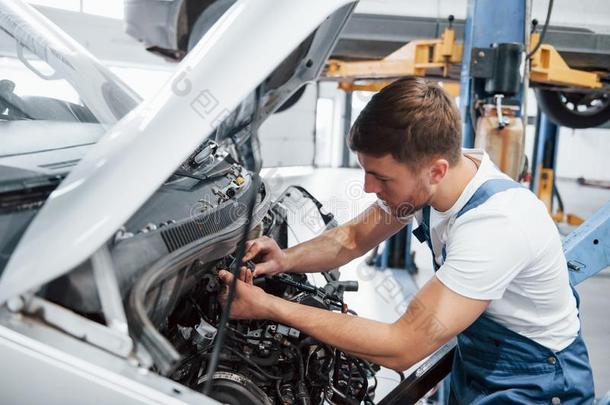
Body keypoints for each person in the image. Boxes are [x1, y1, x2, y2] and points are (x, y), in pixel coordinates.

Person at [218, 77, 595, 403]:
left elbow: (402, 346)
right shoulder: (435, 182)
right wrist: (285, 259)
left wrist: (269, 307)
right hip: (481, 363)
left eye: (381, 177)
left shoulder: (496, 225)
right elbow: (352, 238)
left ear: (436, 170)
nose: (368, 188)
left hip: (535, 386)